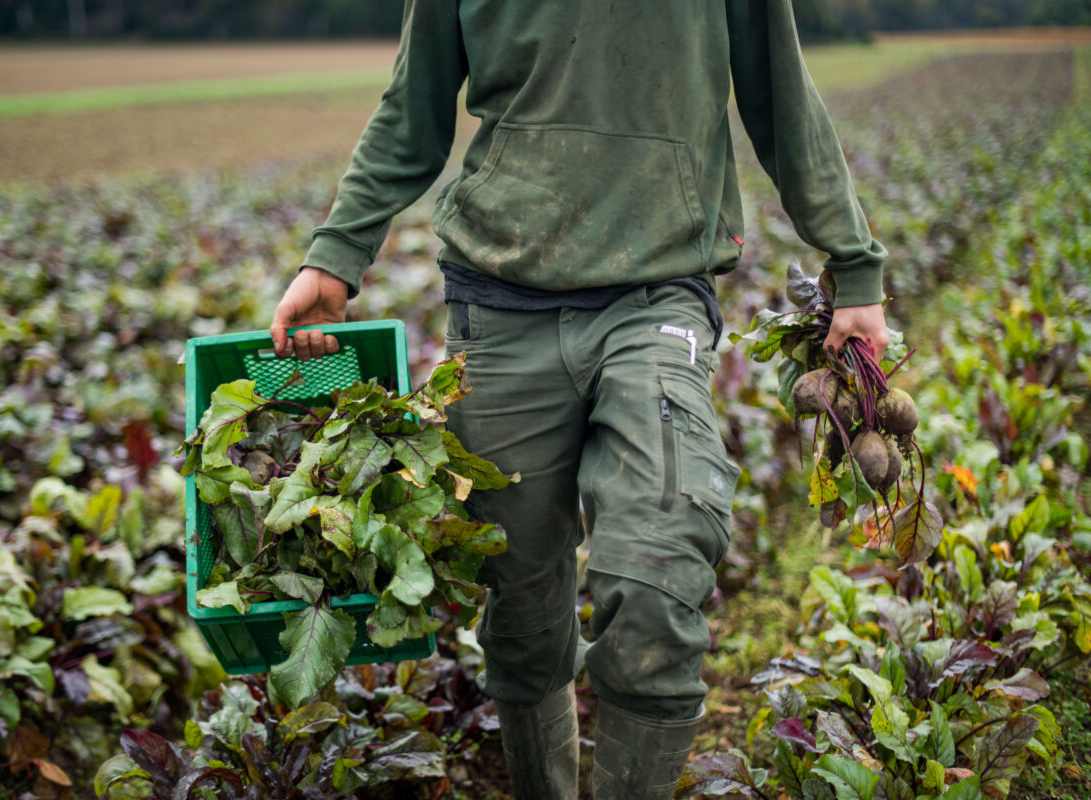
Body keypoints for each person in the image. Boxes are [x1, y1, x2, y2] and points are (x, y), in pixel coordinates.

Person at [270, 2, 889, 798]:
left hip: (656, 296)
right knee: (522, 619)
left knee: (659, 575)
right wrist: (335, 254)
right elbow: (411, 112)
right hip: (498, 306)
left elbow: (781, 94)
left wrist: (853, 262)